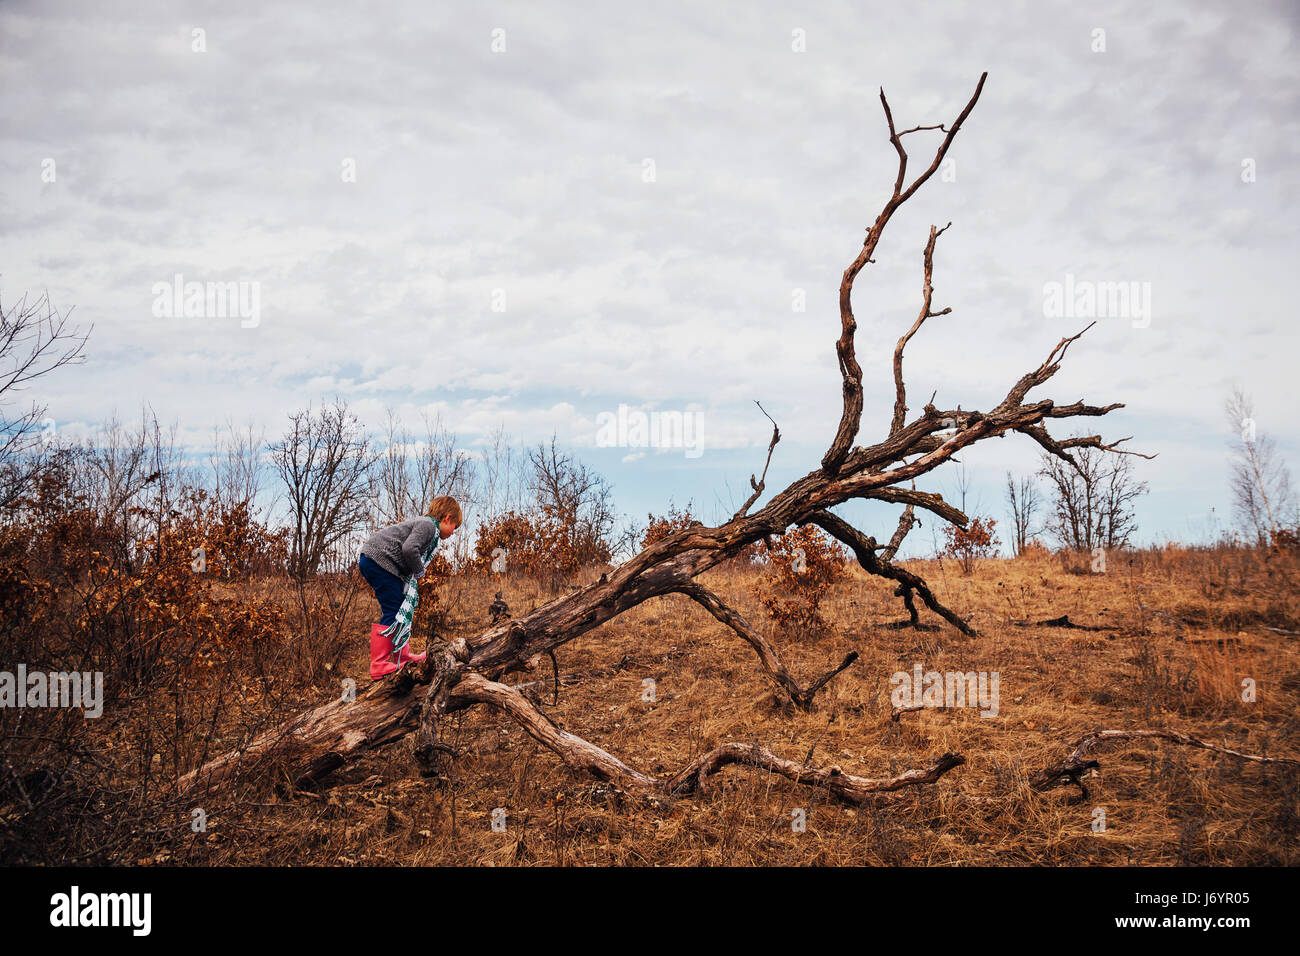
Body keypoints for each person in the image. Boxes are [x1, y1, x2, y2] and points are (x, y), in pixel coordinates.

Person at [358, 495, 461, 679]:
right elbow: (409, 549)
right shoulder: (428, 526)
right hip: (379, 561)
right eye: (455, 526)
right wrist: (420, 571)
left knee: (401, 608)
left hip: (379, 562)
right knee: (395, 609)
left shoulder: (427, 526)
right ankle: (379, 664)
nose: (453, 532)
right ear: (447, 518)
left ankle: (402, 656)